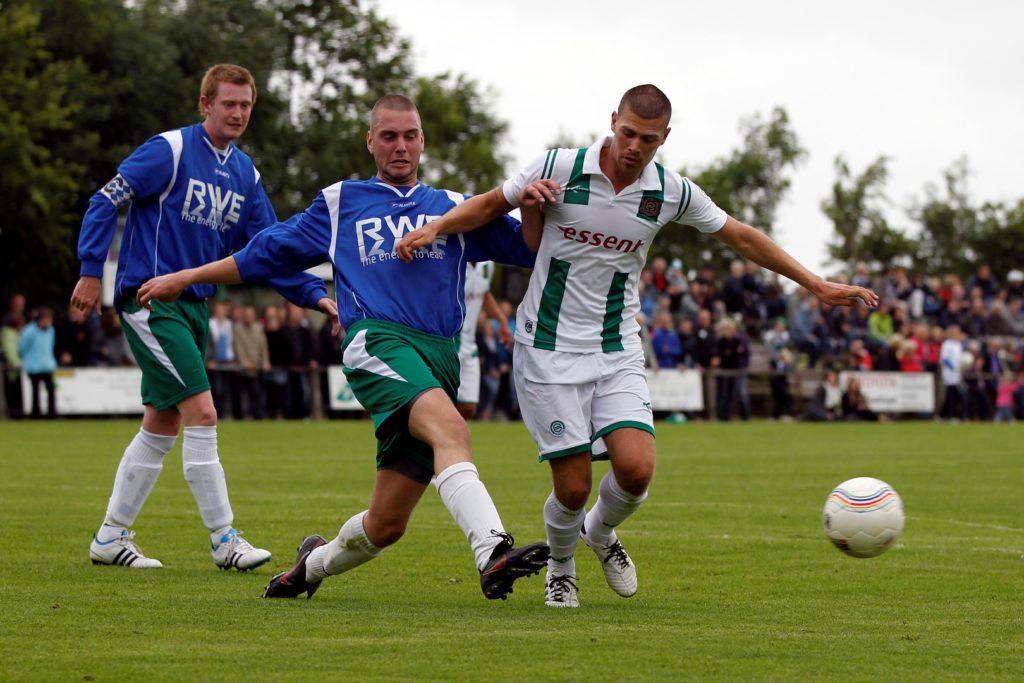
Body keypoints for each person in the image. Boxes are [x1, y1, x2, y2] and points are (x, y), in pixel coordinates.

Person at [395, 84, 877, 608]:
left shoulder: (670, 191)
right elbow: (491, 204)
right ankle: (561, 567)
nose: (634, 147)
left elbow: (739, 235)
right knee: (573, 488)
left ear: (664, 138)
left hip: (616, 346)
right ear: (612, 121)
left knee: (637, 469)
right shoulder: (559, 166)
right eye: (627, 133)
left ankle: (599, 532)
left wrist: (815, 284)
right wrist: (436, 228)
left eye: (648, 139)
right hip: (546, 348)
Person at [137, 94, 550, 601]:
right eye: (389, 136)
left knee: (386, 524)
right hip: (377, 342)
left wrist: (533, 206)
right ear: (370, 141)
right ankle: (491, 551)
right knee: (452, 430)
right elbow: (262, 253)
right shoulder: (341, 202)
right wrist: (186, 277)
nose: (401, 146)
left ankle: (310, 566)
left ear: (422, 141)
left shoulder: (451, 208)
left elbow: (528, 248)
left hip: (439, 357)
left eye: (410, 136)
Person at [70, 64, 335, 570]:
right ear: (205, 104)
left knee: (162, 422)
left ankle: (109, 537)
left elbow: (270, 249)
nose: (237, 113)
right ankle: (224, 540)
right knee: (203, 413)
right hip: (152, 302)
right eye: (228, 103)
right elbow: (105, 200)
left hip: (195, 307)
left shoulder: (245, 174)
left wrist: (315, 296)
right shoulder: (169, 151)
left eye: (245, 105)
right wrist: (89, 271)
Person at [457, 261, 512, 420]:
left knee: (468, 407)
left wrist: (502, 320)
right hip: (448, 341)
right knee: (440, 401)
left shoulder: (488, 263)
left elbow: (484, 293)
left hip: (469, 344)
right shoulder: (454, 257)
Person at [18, 307, 58, 418]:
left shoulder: (50, 330)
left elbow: (50, 347)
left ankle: (52, 413)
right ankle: (35, 414)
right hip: (33, 366)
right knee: (35, 390)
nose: (49, 321)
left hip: (47, 365)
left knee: (50, 389)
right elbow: (22, 348)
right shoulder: (29, 332)